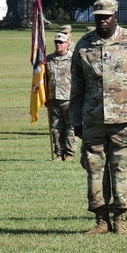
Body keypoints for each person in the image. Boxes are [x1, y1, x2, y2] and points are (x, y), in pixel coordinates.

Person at [71, 0, 127, 236]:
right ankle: (101, 221)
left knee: (122, 167)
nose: (102, 20)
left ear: (116, 16)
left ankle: (120, 220)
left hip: (125, 119)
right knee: (94, 169)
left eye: (107, 15)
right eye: (98, 16)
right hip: (93, 118)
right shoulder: (84, 45)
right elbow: (76, 86)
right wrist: (75, 119)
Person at [46, 32, 77, 161]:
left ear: (67, 44)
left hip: (69, 98)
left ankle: (70, 153)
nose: (58, 44)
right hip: (53, 98)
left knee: (70, 127)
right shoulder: (48, 59)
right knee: (56, 127)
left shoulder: (73, 59)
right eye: (56, 42)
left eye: (61, 42)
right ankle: (59, 152)